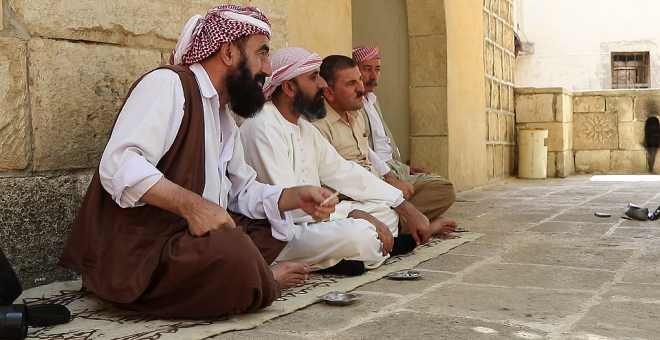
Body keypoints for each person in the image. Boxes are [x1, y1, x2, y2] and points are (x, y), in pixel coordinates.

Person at [57, 5, 338, 319]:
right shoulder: (168, 85)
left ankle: (237, 280)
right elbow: (119, 165)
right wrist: (193, 207)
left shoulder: (222, 115)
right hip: (145, 249)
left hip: (187, 242)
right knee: (234, 250)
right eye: (261, 53)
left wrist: (295, 196)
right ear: (229, 51)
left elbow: (240, 192)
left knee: (269, 228)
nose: (268, 67)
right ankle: (262, 280)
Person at [240, 47, 427, 275]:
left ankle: (343, 256)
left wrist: (402, 205)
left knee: (385, 213)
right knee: (360, 234)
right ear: (288, 87)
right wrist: (352, 213)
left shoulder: (304, 127)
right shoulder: (262, 126)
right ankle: (350, 254)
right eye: (313, 77)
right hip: (280, 231)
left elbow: (344, 171)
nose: (322, 85)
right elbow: (289, 204)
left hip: (317, 222)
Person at [311, 54, 457, 237]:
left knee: (443, 190)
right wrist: (387, 192)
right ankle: (414, 227)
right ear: (329, 92)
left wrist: (389, 181)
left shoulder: (356, 116)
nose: (361, 89)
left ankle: (401, 225)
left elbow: (368, 154)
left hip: (378, 187)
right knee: (361, 223)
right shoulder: (318, 126)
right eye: (351, 84)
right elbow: (335, 180)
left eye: (359, 81)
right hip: (355, 196)